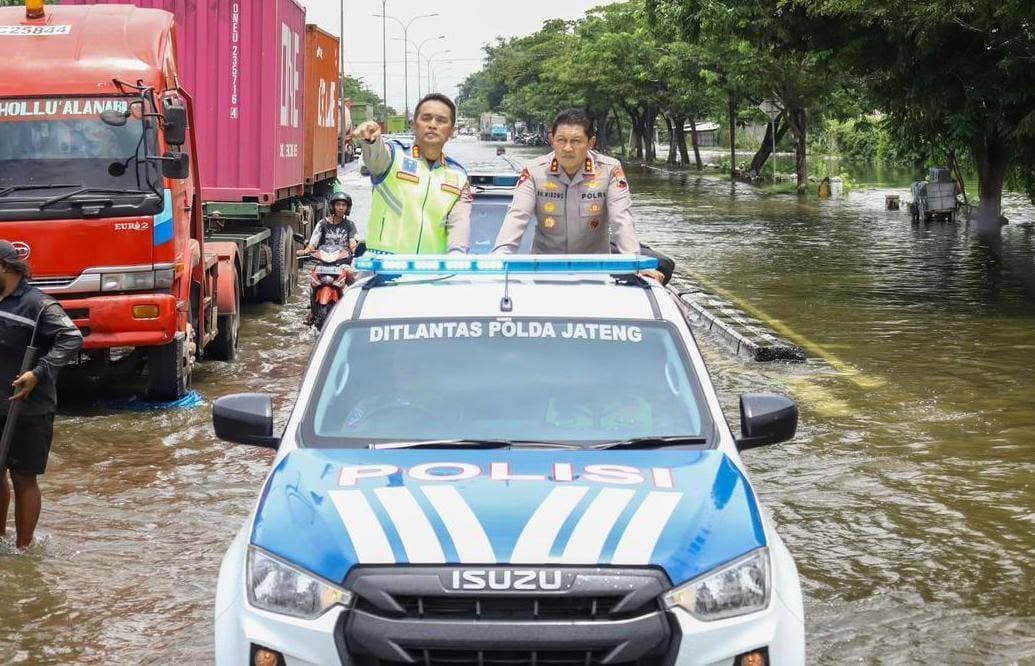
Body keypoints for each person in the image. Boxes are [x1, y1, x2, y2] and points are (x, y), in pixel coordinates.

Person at [0, 240, 82, 549]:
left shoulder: (38, 305)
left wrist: (39, 372)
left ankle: (23, 547)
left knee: (23, 477)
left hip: (28, 406)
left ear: (6, 268)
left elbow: (71, 338)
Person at [493, 108, 640, 255]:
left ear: (591, 143)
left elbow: (621, 220)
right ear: (552, 141)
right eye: (561, 140)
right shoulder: (534, 171)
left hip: (595, 268)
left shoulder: (610, 170)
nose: (567, 148)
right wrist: (500, 257)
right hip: (545, 268)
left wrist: (637, 263)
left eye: (576, 141)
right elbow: (517, 216)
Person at [354, 93, 472, 255]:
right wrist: (371, 140)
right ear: (414, 125)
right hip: (381, 272)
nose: (432, 125)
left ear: (452, 131)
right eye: (426, 118)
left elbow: (459, 223)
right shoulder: (393, 156)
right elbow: (375, 157)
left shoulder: (459, 176)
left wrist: (457, 257)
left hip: (430, 273)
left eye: (441, 120)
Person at [297, 191, 359, 257]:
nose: (341, 208)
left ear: (347, 208)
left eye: (344, 205)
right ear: (332, 207)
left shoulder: (350, 225)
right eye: (338, 204)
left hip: (343, 261)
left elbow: (352, 243)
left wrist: (357, 251)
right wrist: (305, 251)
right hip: (324, 261)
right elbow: (313, 243)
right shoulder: (322, 223)